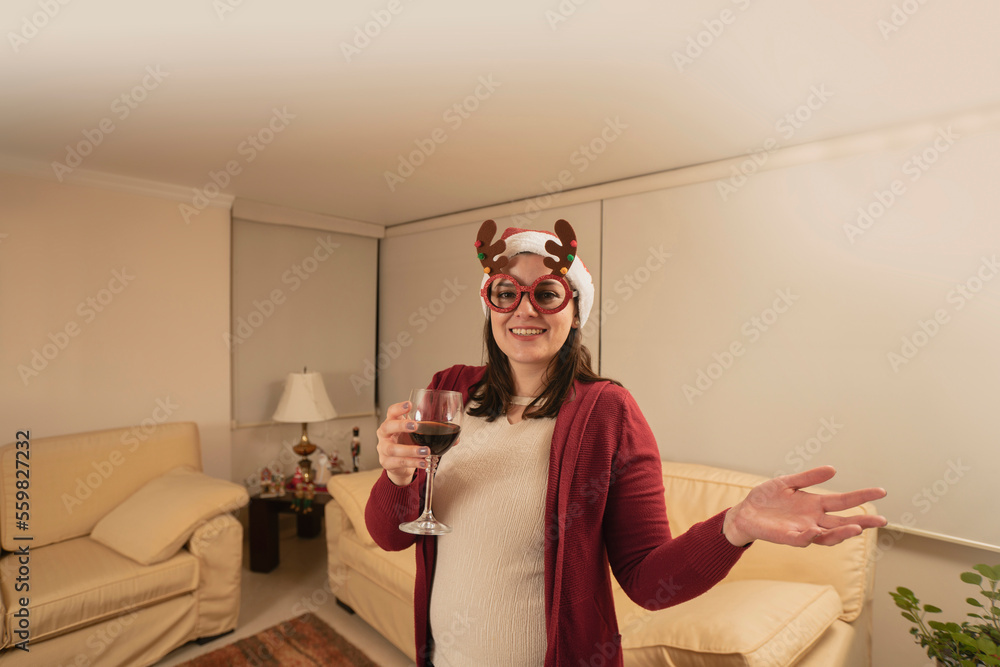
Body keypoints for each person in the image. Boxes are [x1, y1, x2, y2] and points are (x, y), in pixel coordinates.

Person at [365, 219, 887, 667]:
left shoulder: (607, 412)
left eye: (546, 293)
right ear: (490, 305)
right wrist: (396, 476)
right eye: (506, 292)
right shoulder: (450, 390)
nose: (524, 309)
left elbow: (647, 580)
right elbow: (391, 537)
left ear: (574, 312)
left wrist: (736, 526)